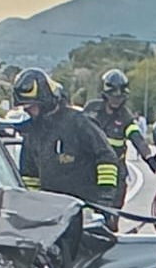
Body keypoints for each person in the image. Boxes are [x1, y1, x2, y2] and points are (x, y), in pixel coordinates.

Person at [12, 68, 120, 209]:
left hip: (85, 208)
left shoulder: (79, 123)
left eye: (31, 106)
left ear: (45, 100)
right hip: (52, 212)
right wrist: (34, 206)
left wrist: (104, 201)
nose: (27, 111)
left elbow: (107, 158)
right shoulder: (33, 133)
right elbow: (29, 175)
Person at [82, 69, 156, 231]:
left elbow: (136, 137)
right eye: (113, 96)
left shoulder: (125, 116)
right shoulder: (91, 110)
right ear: (105, 94)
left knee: (112, 217)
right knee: (88, 216)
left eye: (120, 97)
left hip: (115, 174)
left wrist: (149, 157)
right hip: (90, 171)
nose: (116, 100)